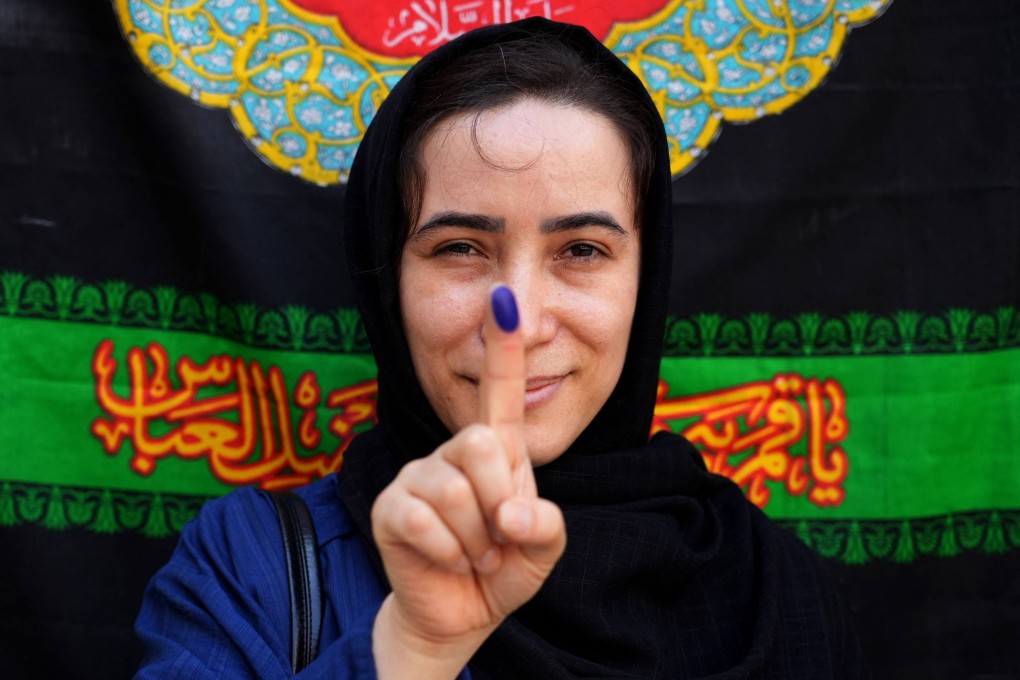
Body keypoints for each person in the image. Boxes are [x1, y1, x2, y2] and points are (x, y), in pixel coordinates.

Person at [134, 17, 867, 679]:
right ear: (388, 278)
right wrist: (411, 650)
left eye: (581, 249)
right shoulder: (254, 572)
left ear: (649, 276)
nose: (518, 320)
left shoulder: (774, 594)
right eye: (460, 247)